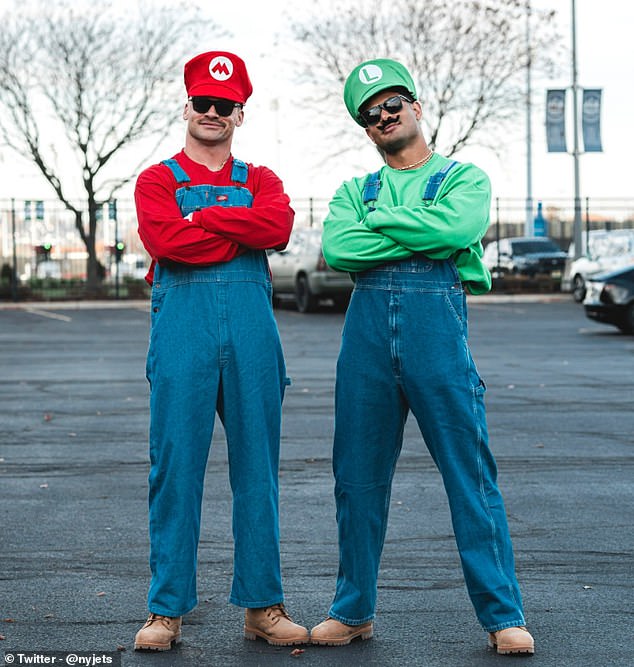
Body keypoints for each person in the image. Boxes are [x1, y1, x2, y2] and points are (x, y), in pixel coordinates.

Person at [309, 59, 534, 656]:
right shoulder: (351, 191)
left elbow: (456, 228)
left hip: (438, 336)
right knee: (356, 479)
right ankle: (352, 610)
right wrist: (420, 229)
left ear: (414, 105)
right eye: (370, 113)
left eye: (392, 103)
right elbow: (339, 247)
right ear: (365, 127)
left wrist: (381, 226)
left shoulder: (466, 179)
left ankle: (503, 615)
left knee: (470, 475)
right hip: (365, 345)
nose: (383, 116)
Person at [133, 50, 309, 651]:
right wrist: (234, 226)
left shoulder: (264, 180)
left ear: (240, 113)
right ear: (186, 106)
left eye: (225, 105)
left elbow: (278, 229)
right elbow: (164, 239)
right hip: (183, 334)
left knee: (257, 472)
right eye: (202, 102)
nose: (212, 112)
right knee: (174, 471)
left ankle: (263, 606)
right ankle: (166, 610)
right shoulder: (156, 180)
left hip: (254, 339)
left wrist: (202, 220)